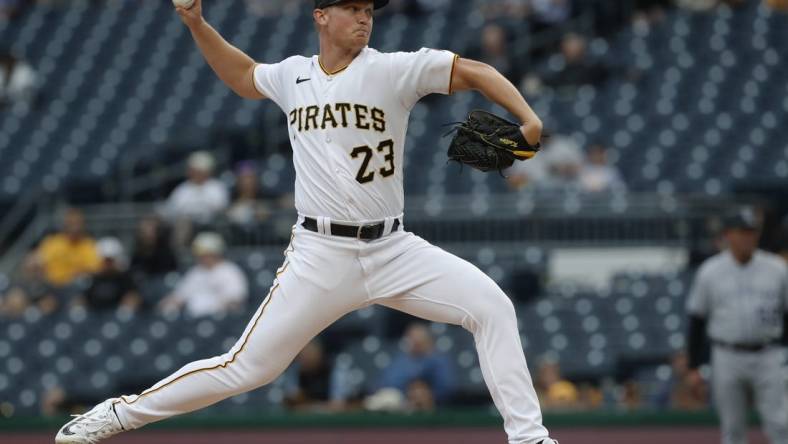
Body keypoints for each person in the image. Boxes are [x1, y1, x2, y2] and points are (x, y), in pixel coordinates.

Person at [56, 1, 556, 444]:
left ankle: (530, 439)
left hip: (393, 247)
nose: (364, 17)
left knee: (492, 306)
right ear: (321, 15)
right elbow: (243, 75)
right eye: (352, 8)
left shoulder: (393, 70)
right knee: (247, 368)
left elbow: (473, 70)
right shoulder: (293, 75)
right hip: (321, 253)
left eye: (369, 10)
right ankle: (118, 415)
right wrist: (196, 22)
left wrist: (527, 118)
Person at [686, 208, 788, 444]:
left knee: (780, 424)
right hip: (727, 354)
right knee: (733, 429)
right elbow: (697, 320)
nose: (747, 237)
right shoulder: (710, 271)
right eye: (741, 232)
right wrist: (693, 366)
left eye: (751, 232)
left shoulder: (777, 269)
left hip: (768, 354)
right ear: (727, 235)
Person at [157, 232, 248, 318]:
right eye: (200, 255)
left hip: (220, 319)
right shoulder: (195, 272)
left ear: (215, 253)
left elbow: (236, 299)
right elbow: (180, 296)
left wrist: (214, 307)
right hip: (192, 318)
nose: (202, 258)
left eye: (206, 254)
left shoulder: (230, 270)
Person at [371, 323, 454, 407]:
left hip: (436, 407)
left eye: (420, 342)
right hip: (402, 405)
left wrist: (426, 394)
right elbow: (386, 384)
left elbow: (446, 387)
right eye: (413, 341)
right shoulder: (400, 360)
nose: (416, 344)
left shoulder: (438, 360)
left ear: (428, 341)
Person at [37, 208, 101, 288]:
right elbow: (41, 263)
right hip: (52, 287)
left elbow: (94, 268)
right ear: (65, 224)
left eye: (77, 223)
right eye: (71, 223)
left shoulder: (89, 244)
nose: (75, 227)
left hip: (76, 287)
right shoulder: (52, 242)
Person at [75, 238, 142, 313]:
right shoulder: (91, 278)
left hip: (117, 315)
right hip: (94, 315)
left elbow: (133, 297)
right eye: (105, 260)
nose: (108, 264)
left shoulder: (126, 278)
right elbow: (81, 299)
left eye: (110, 260)